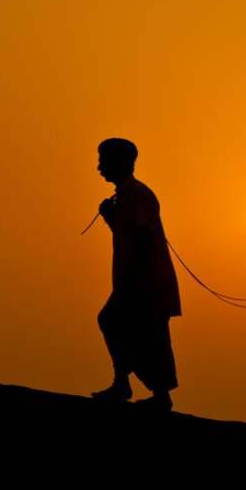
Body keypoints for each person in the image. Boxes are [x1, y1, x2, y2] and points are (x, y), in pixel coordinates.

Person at [92, 137, 182, 411]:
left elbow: (141, 236)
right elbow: (130, 231)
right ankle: (145, 390)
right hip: (139, 280)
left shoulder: (136, 194)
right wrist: (112, 217)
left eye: (103, 161)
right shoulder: (127, 194)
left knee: (124, 325)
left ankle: (131, 386)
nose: (99, 167)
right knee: (143, 333)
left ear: (120, 163)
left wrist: (112, 217)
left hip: (144, 282)